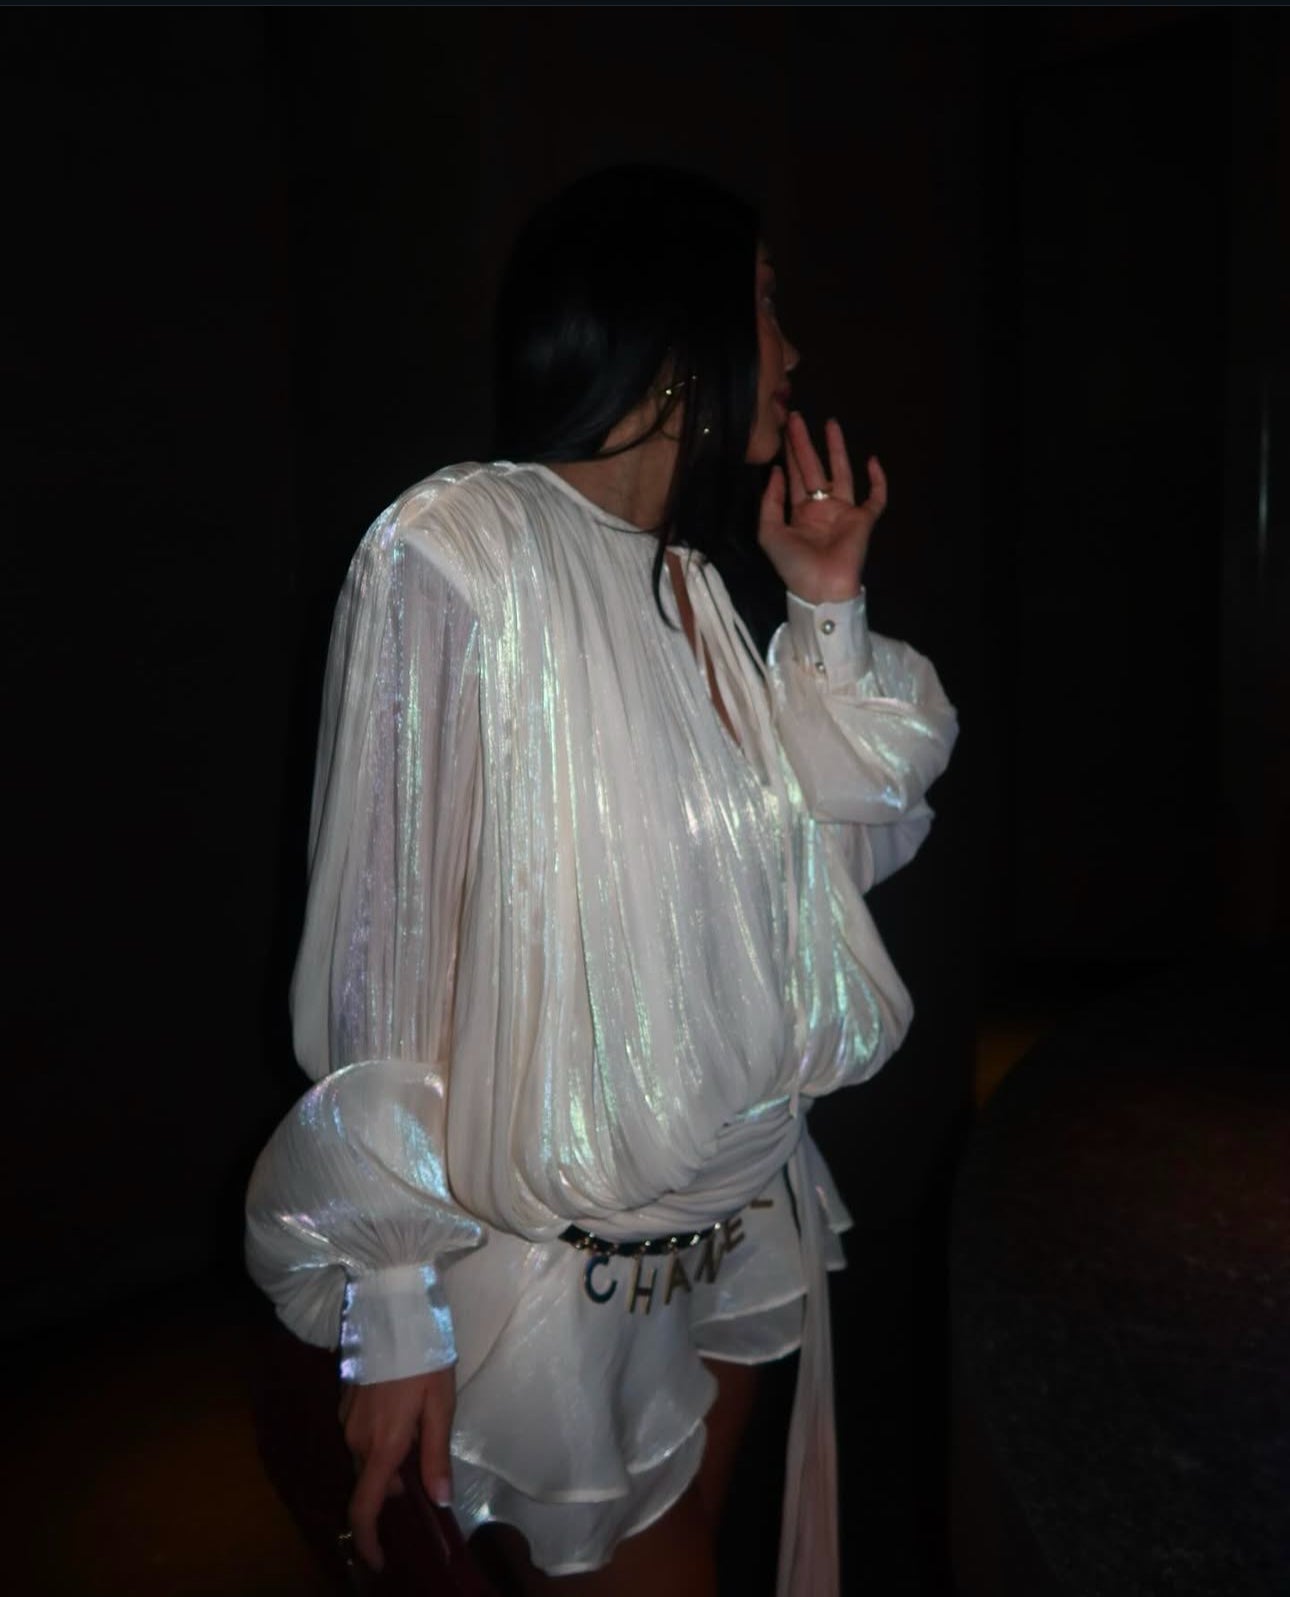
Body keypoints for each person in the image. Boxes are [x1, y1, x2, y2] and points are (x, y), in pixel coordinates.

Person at [246, 165, 957, 1597]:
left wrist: (823, 605)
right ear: (673, 321)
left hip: (739, 1222)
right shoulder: (460, 544)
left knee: (699, 1542)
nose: (790, 348)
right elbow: (388, 944)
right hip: (555, 1276)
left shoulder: (687, 585)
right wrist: (395, 1301)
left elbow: (818, 886)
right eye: (764, 303)